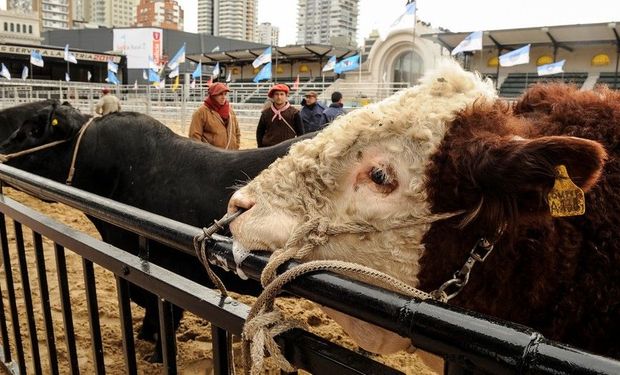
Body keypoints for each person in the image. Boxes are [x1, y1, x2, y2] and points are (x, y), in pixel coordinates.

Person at [188, 82, 241, 150]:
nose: (223, 97)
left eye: (225, 94)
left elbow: (237, 132)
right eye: (220, 94)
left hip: (231, 156)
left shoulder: (230, 111)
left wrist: (236, 147)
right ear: (213, 95)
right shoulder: (201, 112)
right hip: (211, 157)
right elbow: (194, 137)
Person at [256, 83, 303, 148]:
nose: (279, 97)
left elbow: (300, 134)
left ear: (286, 96)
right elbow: (260, 133)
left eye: (282, 94)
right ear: (273, 96)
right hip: (268, 149)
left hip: (287, 149)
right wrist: (260, 148)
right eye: (276, 94)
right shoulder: (265, 113)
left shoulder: (295, 113)